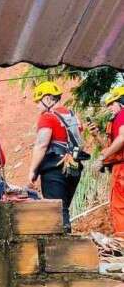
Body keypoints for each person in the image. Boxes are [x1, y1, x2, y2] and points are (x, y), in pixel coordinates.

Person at [27, 81, 88, 232]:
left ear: (48, 99)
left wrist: (32, 171)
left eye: (38, 101)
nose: (37, 106)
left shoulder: (47, 117)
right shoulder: (73, 116)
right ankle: (65, 241)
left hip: (55, 168)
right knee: (63, 208)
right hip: (74, 167)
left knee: (56, 211)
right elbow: (80, 142)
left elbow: (41, 145)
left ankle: (61, 248)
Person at [92, 86, 124, 235]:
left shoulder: (122, 115)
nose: (109, 107)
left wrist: (101, 158)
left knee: (119, 207)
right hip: (119, 165)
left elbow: (122, 138)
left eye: (112, 104)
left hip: (122, 169)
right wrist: (97, 135)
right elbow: (112, 148)